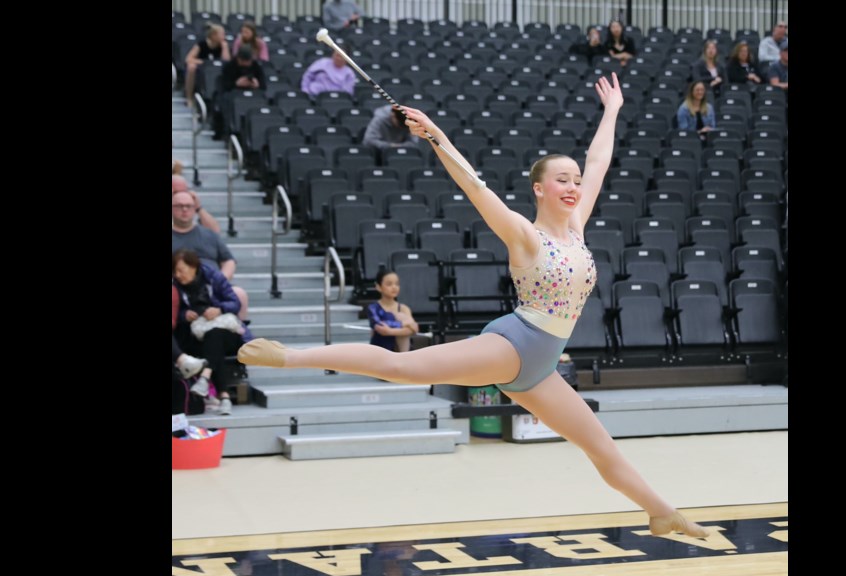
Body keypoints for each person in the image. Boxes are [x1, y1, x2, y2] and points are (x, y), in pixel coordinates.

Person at [239, 72, 710, 539]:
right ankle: (290, 356)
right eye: (561, 180)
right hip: (516, 343)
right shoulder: (525, 235)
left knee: (602, 449)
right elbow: (475, 186)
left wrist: (612, 111)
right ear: (539, 189)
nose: (573, 185)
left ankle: (661, 511)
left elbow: (599, 159)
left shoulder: (577, 227)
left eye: (576, 180)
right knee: (402, 368)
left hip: (540, 369)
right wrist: (438, 138)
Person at [173, 249, 251, 415]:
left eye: (181, 270)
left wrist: (219, 309)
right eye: (175, 271)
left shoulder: (214, 277)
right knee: (212, 341)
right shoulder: (176, 286)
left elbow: (235, 303)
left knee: (214, 334)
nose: (178, 275)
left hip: (227, 331)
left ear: (193, 266)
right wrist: (184, 315)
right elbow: (175, 313)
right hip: (196, 333)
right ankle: (223, 396)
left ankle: (206, 380)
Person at [172, 191, 249, 321]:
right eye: (179, 206)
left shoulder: (209, 235)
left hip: (212, 285)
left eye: (189, 206)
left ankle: (240, 337)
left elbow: (228, 261)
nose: (184, 209)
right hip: (180, 288)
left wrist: (219, 280)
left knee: (239, 294)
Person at [214, 45, 268, 139]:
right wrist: (237, 84)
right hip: (233, 94)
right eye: (244, 61)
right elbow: (224, 86)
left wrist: (257, 85)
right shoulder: (229, 66)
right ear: (239, 59)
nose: (247, 64)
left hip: (253, 95)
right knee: (223, 100)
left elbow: (263, 86)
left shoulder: (256, 66)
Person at [368, 270, 419, 352]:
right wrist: (403, 324)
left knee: (401, 316)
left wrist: (389, 331)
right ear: (378, 287)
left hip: (400, 349)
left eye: (397, 284)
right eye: (389, 284)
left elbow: (412, 329)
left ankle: (403, 358)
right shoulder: (373, 308)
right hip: (380, 350)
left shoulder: (403, 308)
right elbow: (379, 326)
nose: (394, 287)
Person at [185, 23, 231, 107]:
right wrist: (203, 62)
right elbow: (188, 59)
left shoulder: (223, 46)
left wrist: (225, 47)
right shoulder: (201, 45)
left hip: (217, 70)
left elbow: (226, 61)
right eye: (222, 34)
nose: (224, 36)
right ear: (213, 35)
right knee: (191, 67)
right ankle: (189, 97)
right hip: (202, 68)